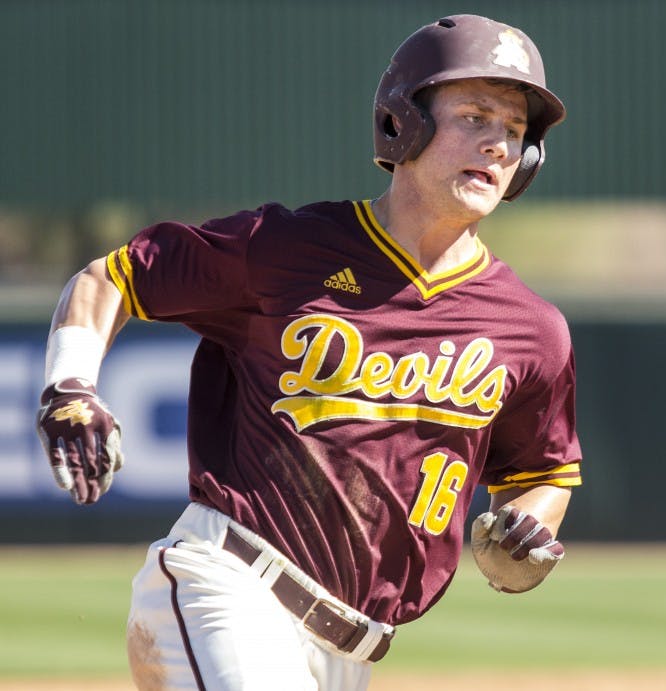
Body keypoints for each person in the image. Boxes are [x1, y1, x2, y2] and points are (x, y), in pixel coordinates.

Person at [34, 14, 582, 691]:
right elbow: (115, 277)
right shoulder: (285, 251)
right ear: (402, 123)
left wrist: (524, 535)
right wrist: (69, 384)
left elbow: (541, 472)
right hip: (229, 587)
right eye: (474, 116)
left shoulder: (533, 329)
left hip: (351, 653)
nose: (498, 144)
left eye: (515, 132)